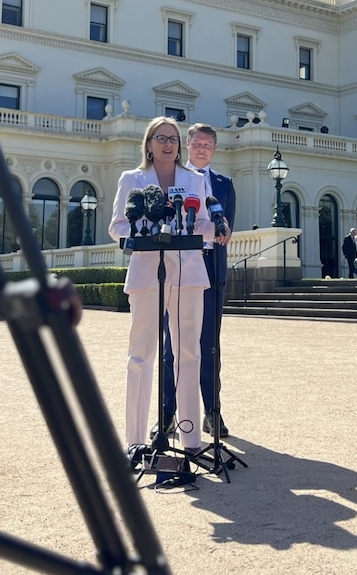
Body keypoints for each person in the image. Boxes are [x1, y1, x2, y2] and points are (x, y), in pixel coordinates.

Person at [108, 116, 227, 454]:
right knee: (140, 355)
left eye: (173, 138)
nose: (168, 143)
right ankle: (134, 440)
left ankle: (191, 441)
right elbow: (117, 226)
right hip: (147, 273)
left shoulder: (194, 180)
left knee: (189, 354)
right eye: (161, 137)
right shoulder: (131, 179)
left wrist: (216, 228)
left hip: (188, 274)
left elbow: (202, 222)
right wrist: (144, 230)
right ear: (148, 144)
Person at [161, 123, 235, 438]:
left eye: (208, 144)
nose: (202, 148)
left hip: (211, 271)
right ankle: (167, 413)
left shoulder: (224, 184)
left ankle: (212, 412)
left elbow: (224, 231)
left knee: (210, 347)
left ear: (214, 149)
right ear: (187, 146)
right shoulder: (172, 180)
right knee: (171, 345)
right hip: (178, 269)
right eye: (197, 143)